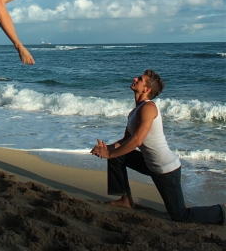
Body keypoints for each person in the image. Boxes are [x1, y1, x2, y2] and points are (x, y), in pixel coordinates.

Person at [90, 69, 225, 225]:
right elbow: (126, 140)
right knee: (117, 156)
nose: (135, 78)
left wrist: (110, 154)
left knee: (180, 216)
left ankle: (222, 211)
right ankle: (126, 200)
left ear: (147, 90)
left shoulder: (149, 108)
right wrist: (107, 149)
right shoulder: (134, 111)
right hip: (149, 164)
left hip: (166, 169)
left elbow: (137, 141)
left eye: (140, 79)